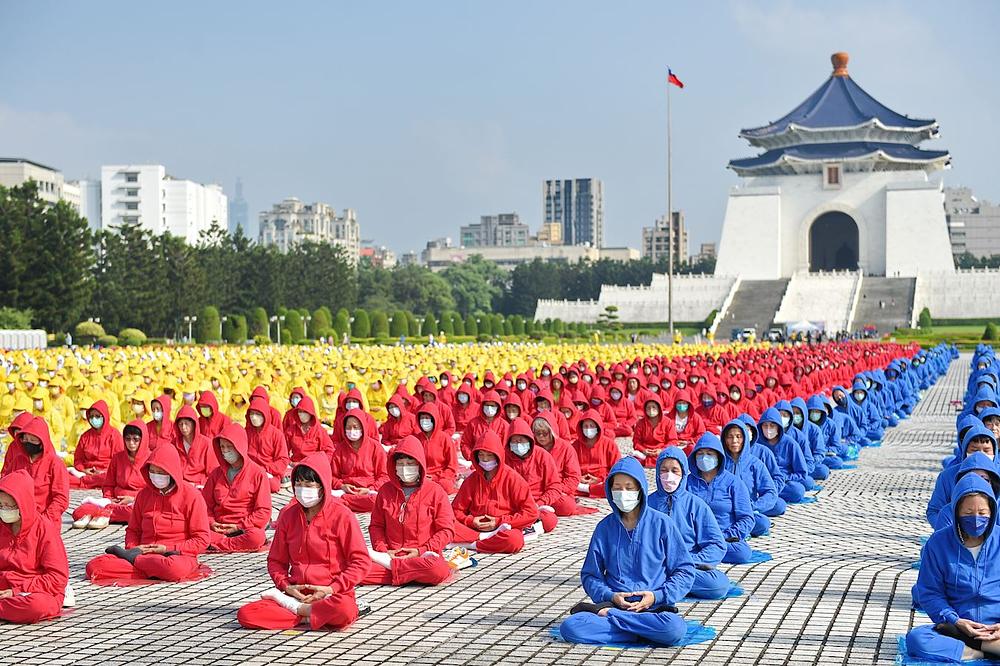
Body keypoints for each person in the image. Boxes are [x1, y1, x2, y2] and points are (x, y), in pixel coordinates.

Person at [559, 457, 695, 646]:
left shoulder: (662, 524)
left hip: (653, 609)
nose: (623, 493)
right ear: (610, 490)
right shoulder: (604, 528)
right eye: (617, 488)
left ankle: (620, 624)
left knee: (674, 628)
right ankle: (643, 631)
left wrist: (656, 596)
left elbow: (685, 571)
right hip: (615, 605)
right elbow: (590, 575)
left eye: (629, 488)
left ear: (641, 490)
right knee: (571, 627)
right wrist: (610, 596)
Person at [236, 454, 371, 630]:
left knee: (344, 609)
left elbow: (360, 562)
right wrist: (286, 586)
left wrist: (331, 588)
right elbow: (276, 561)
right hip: (296, 593)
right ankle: (312, 614)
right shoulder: (288, 515)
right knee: (246, 614)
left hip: (331, 594)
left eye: (308, 484)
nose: (302, 489)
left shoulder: (342, 515)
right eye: (298, 484)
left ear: (322, 486)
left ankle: (300, 612)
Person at [907, 474, 1000, 662]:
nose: (976, 519)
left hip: (997, 627)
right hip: (958, 628)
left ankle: (979, 647)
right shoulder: (938, 543)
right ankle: (983, 651)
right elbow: (930, 592)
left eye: (982, 512)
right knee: (917, 639)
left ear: (992, 511)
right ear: (956, 512)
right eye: (968, 513)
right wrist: (955, 620)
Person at [85, 445, 211, 583]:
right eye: (152, 471)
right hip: (144, 553)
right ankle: (146, 566)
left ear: (172, 472)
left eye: (161, 472)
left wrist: (167, 549)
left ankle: (135, 561)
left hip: (175, 556)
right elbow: (133, 530)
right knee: (95, 566)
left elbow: (202, 539)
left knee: (174, 569)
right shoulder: (143, 495)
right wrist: (134, 548)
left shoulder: (192, 496)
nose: (156, 476)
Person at [365, 436, 454, 586]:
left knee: (437, 570)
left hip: (423, 557)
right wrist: (383, 550)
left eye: (410, 463)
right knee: (354, 570)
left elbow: (446, 530)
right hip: (390, 555)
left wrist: (421, 550)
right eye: (400, 464)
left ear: (420, 464)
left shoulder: (435, 491)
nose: (404, 468)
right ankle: (407, 573)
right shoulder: (385, 491)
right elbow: (376, 526)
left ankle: (393, 569)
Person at [648, 447, 732, 599]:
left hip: (687, 565)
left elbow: (716, 544)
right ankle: (672, 586)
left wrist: (689, 562)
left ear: (683, 473)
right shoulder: (646, 505)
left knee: (718, 585)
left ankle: (664, 586)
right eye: (664, 470)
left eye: (675, 471)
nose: (669, 475)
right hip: (654, 567)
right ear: (657, 473)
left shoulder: (696, 505)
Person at [0, 470, 69, 624]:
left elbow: (57, 578)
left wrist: (16, 591)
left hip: (34, 590)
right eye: (1, 505)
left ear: (22, 504)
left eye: (9, 506)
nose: (4, 510)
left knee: (37, 606)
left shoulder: (44, 528)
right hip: (3, 586)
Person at [452, 431, 538, 553]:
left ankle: (473, 544)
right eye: (481, 455)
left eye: (489, 455)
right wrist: (470, 521)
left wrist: (499, 521)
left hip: (502, 528)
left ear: (498, 456)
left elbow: (531, 513)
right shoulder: (472, 479)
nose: (485, 459)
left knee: (514, 540)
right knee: (443, 525)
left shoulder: (513, 479)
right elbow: (455, 510)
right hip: (474, 528)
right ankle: (479, 539)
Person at [202, 423, 272, 553]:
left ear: (240, 446)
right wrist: (211, 522)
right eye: (222, 447)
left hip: (243, 528)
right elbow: (204, 506)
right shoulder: (216, 473)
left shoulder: (258, 473)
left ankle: (219, 544)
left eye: (229, 447)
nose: (225, 451)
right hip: (218, 528)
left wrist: (238, 526)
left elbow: (263, 511)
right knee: (192, 531)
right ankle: (222, 542)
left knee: (256, 537)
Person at [685, 434, 754, 564]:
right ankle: (703, 557)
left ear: (718, 457)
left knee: (742, 552)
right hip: (694, 537)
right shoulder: (687, 482)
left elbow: (747, 518)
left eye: (709, 454)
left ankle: (697, 558)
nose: (704, 458)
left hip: (723, 537)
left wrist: (725, 535)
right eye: (700, 454)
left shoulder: (733, 482)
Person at [71, 420, 149, 529]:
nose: (131, 443)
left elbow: (151, 490)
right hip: (115, 501)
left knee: (135, 512)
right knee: (79, 512)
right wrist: (109, 498)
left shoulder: (150, 460)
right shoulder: (118, 458)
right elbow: (108, 484)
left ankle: (103, 513)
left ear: (143, 439)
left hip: (136, 502)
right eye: (128, 439)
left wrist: (133, 499)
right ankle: (106, 512)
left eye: (136, 439)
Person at [1, 417, 68, 525]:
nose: (28, 443)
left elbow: (61, 498)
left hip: (45, 520)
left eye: (33, 440)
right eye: (25, 439)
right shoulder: (18, 460)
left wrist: (46, 519)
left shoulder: (55, 463)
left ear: (42, 442)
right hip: (17, 518)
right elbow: (5, 488)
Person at [503, 420, 563, 535]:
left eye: (521, 440)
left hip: (536, 504)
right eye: (514, 441)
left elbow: (555, 486)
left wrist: (539, 503)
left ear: (529, 440)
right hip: (511, 505)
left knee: (549, 520)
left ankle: (526, 526)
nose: (518, 444)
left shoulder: (543, 455)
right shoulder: (503, 457)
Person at [531, 414, 597, 516]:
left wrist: (557, 490)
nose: (541, 437)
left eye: (545, 433)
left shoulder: (565, 448)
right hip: (536, 490)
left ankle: (540, 506)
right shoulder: (532, 449)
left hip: (558, 490)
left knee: (567, 506)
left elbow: (573, 476)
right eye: (537, 433)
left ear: (552, 431)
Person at [721, 419, 778, 537]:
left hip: (746, 510)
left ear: (745, 439)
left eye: (739, 436)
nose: (734, 441)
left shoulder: (755, 464)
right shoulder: (719, 462)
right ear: (724, 440)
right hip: (723, 511)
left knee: (762, 523)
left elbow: (770, 492)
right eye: (730, 437)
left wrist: (754, 506)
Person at [329, 409, 388, 513]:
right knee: (328, 499)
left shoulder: (375, 447)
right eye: (348, 427)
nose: (352, 431)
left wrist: (370, 489)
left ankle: (346, 504)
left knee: (378, 500)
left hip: (369, 492)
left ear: (363, 427)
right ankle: (347, 503)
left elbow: (384, 476)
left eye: (355, 427)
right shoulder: (340, 449)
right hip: (347, 491)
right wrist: (342, 486)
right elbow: (332, 477)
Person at [757, 408, 809, 504]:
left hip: (783, 481)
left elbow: (801, 473)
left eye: (772, 426)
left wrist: (785, 477)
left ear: (778, 427)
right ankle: (768, 496)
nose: (768, 429)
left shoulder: (790, 443)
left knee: (797, 490)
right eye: (765, 426)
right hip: (762, 481)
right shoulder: (757, 443)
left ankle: (768, 496)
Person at [68, 400, 122, 488]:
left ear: (104, 416)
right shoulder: (85, 436)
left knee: (108, 478)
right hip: (87, 472)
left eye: (97, 416)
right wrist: (84, 469)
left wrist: (104, 471)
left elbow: (119, 461)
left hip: (107, 472)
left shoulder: (114, 435)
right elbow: (78, 459)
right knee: (64, 476)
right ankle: (88, 481)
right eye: (91, 416)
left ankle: (85, 482)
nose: (94, 419)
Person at [244, 395, 290, 492]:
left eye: (258, 414)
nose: (254, 417)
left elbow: (283, 460)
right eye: (251, 413)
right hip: (248, 469)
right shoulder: (245, 432)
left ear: (265, 415)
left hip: (268, 471)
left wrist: (266, 468)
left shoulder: (276, 434)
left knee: (272, 485)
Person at [571, 411, 621, 498]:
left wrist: (600, 479)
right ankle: (590, 489)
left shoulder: (609, 444)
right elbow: (569, 468)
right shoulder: (575, 445)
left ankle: (585, 489)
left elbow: (617, 468)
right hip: (580, 481)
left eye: (592, 426)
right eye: (585, 426)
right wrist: (578, 478)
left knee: (614, 487)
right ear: (581, 428)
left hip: (601, 481)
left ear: (598, 427)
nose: (588, 429)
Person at [414, 403, 459, 494]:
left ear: (434, 419)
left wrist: (436, 477)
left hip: (440, 477)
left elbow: (452, 466)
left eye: (427, 418)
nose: (424, 421)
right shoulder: (416, 439)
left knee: (445, 486)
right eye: (422, 418)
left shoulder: (445, 438)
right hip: (421, 476)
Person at [172, 405, 218, 487]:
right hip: (180, 485)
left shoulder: (207, 444)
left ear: (194, 423)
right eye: (180, 424)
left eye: (186, 423)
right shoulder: (174, 443)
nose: (183, 427)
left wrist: (203, 484)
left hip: (200, 486)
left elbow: (213, 472)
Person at [632, 393, 677, 468]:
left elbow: (673, 441)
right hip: (645, 452)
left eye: (654, 407)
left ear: (659, 408)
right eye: (648, 407)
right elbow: (636, 441)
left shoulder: (668, 422)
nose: (651, 410)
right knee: (632, 459)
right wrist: (643, 450)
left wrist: (662, 450)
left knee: (672, 457)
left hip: (662, 450)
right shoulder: (640, 423)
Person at [286, 396, 334, 463]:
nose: (301, 414)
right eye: (300, 411)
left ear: (311, 413)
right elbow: (283, 450)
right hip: (295, 464)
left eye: (305, 411)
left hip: (313, 465)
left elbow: (330, 451)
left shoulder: (320, 431)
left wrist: (320, 463)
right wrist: (289, 462)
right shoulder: (291, 430)